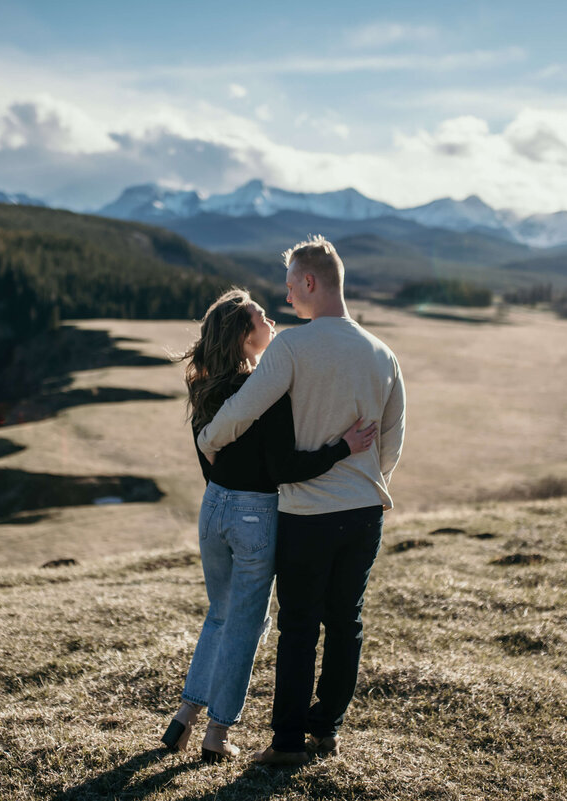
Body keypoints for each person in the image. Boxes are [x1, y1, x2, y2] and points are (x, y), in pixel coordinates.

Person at [196, 236, 406, 765]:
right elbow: (393, 440)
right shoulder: (384, 354)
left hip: (306, 513)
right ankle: (326, 731)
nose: (288, 299)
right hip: (362, 512)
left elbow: (244, 407)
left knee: (298, 630)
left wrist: (208, 440)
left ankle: (287, 743)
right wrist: (362, 478)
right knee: (346, 623)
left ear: (311, 282)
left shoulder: (292, 347)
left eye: (291, 287)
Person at [162, 288, 378, 762]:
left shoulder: (206, 386)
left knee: (219, 615)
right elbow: (285, 469)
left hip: (213, 507)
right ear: (244, 334)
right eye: (261, 316)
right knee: (247, 623)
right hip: (254, 513)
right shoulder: (267, 388)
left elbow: (208, 456)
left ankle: (184, 717)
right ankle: (217, 733)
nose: (271, 320)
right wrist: (344, 447)